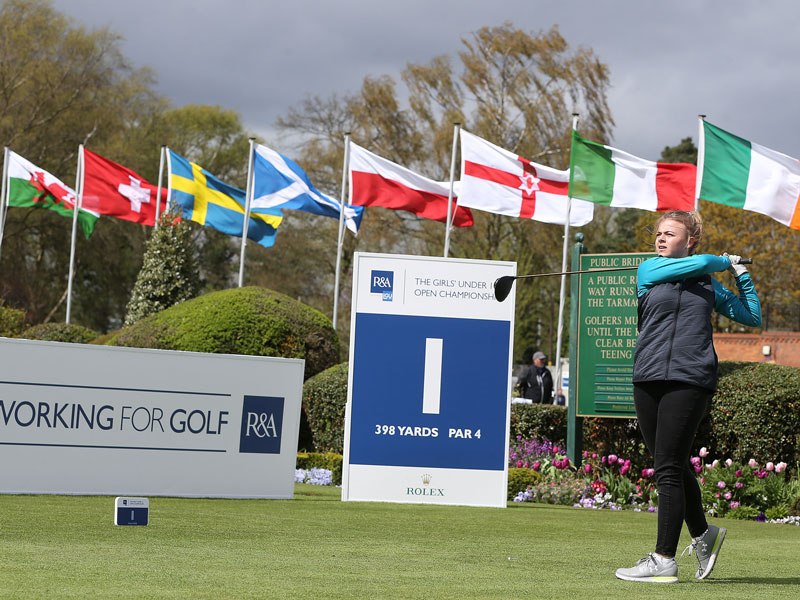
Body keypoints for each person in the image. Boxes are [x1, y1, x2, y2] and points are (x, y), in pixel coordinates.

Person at [615, 211, 761, 584]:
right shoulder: (648, 271)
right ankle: (704, 534)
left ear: (689, 240)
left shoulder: (709, 287)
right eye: (659, 234)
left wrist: (742, 275)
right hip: (647, 376)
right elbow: (706, 263)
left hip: (690, 378)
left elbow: (752, 317)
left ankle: (664, 559)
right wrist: (725, 261)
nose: (660, 239)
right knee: (673, 464)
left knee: (667, 467)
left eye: (670, 234)